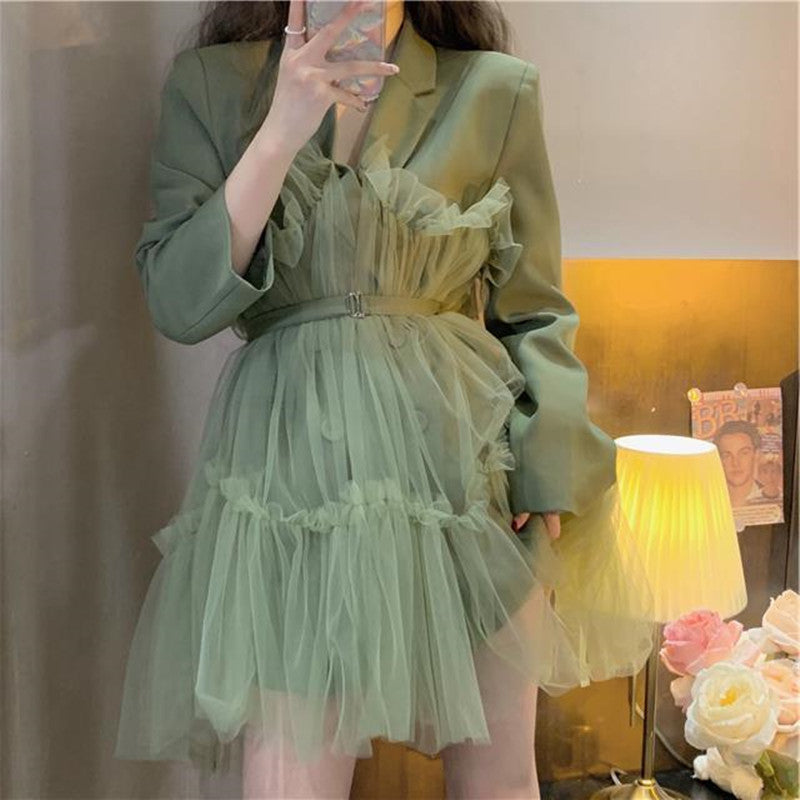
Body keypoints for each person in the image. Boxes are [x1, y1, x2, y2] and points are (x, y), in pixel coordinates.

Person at [114, 1, 657, 797]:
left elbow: (535, 309)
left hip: (467, 472)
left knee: (499, 779)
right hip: (296, 480)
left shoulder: (492, 89)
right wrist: (281, 129)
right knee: (291, 780)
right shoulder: (211, 87)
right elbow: (179, 302)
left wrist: (547, 465)